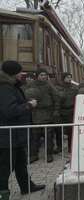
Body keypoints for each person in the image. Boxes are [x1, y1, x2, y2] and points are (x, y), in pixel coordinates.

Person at [0, 61, 45, 198]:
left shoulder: (12, 86)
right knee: (5, 166)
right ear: (13, 73)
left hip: (15, 135)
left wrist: (26, 102)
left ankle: (26, 187)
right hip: (7, 136)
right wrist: (29, 105)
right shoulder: (5, 88)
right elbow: (9, 110)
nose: (22, 74)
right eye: (20, 72)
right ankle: (2, 191)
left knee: (20, 164)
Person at [25, 68, 60, 163]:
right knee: (35, 136)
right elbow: (25, 95)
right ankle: (33, 155)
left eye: (45, 75)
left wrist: (56, 110)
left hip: (48, 113)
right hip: (35, 113)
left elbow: (56, 97)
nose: (44, 77)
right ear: (37, 76)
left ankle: (49, 154)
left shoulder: (49, 85)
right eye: (41, 75)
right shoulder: (31, 85)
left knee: (48, 136)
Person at [55, 72, 78, 153]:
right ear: (63, 78)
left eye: (70, 77)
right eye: (67, 77)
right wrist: (56, 111)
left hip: (71, 111)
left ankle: (70, 147)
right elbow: (56, 100)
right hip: (61, 111)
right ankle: (59, 147)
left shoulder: (75, 88)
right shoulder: (58, 88)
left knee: (70, 130)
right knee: (59, 130)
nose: (69, 78)